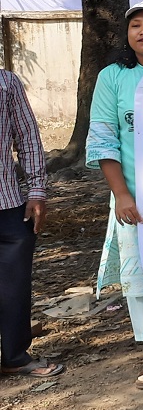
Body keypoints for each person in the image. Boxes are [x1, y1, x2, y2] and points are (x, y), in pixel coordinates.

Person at [86, 0, 143, 389]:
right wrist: (122, 195)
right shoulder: (112, 77)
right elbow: (103, 139)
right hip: (137, 199)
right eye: (136, 24)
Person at [0, 66, 58, 379]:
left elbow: (27, 137)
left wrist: (37, 190)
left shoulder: (6, 82)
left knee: (14, 286)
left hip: (8, 203)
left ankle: (15, 356)